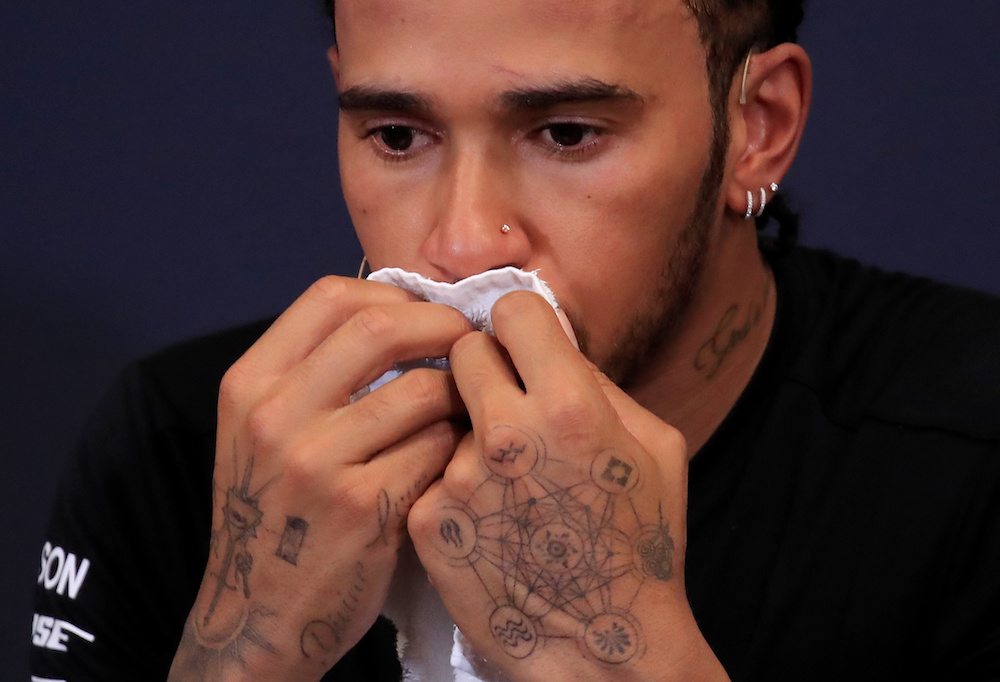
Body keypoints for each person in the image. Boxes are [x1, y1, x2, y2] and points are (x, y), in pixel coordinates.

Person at [31, 0, 1000, 679]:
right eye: (397, 136)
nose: (461, 244)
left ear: (757, 125)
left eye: (567, 133)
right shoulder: (184, 447)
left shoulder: (968, 454)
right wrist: (246, 654)